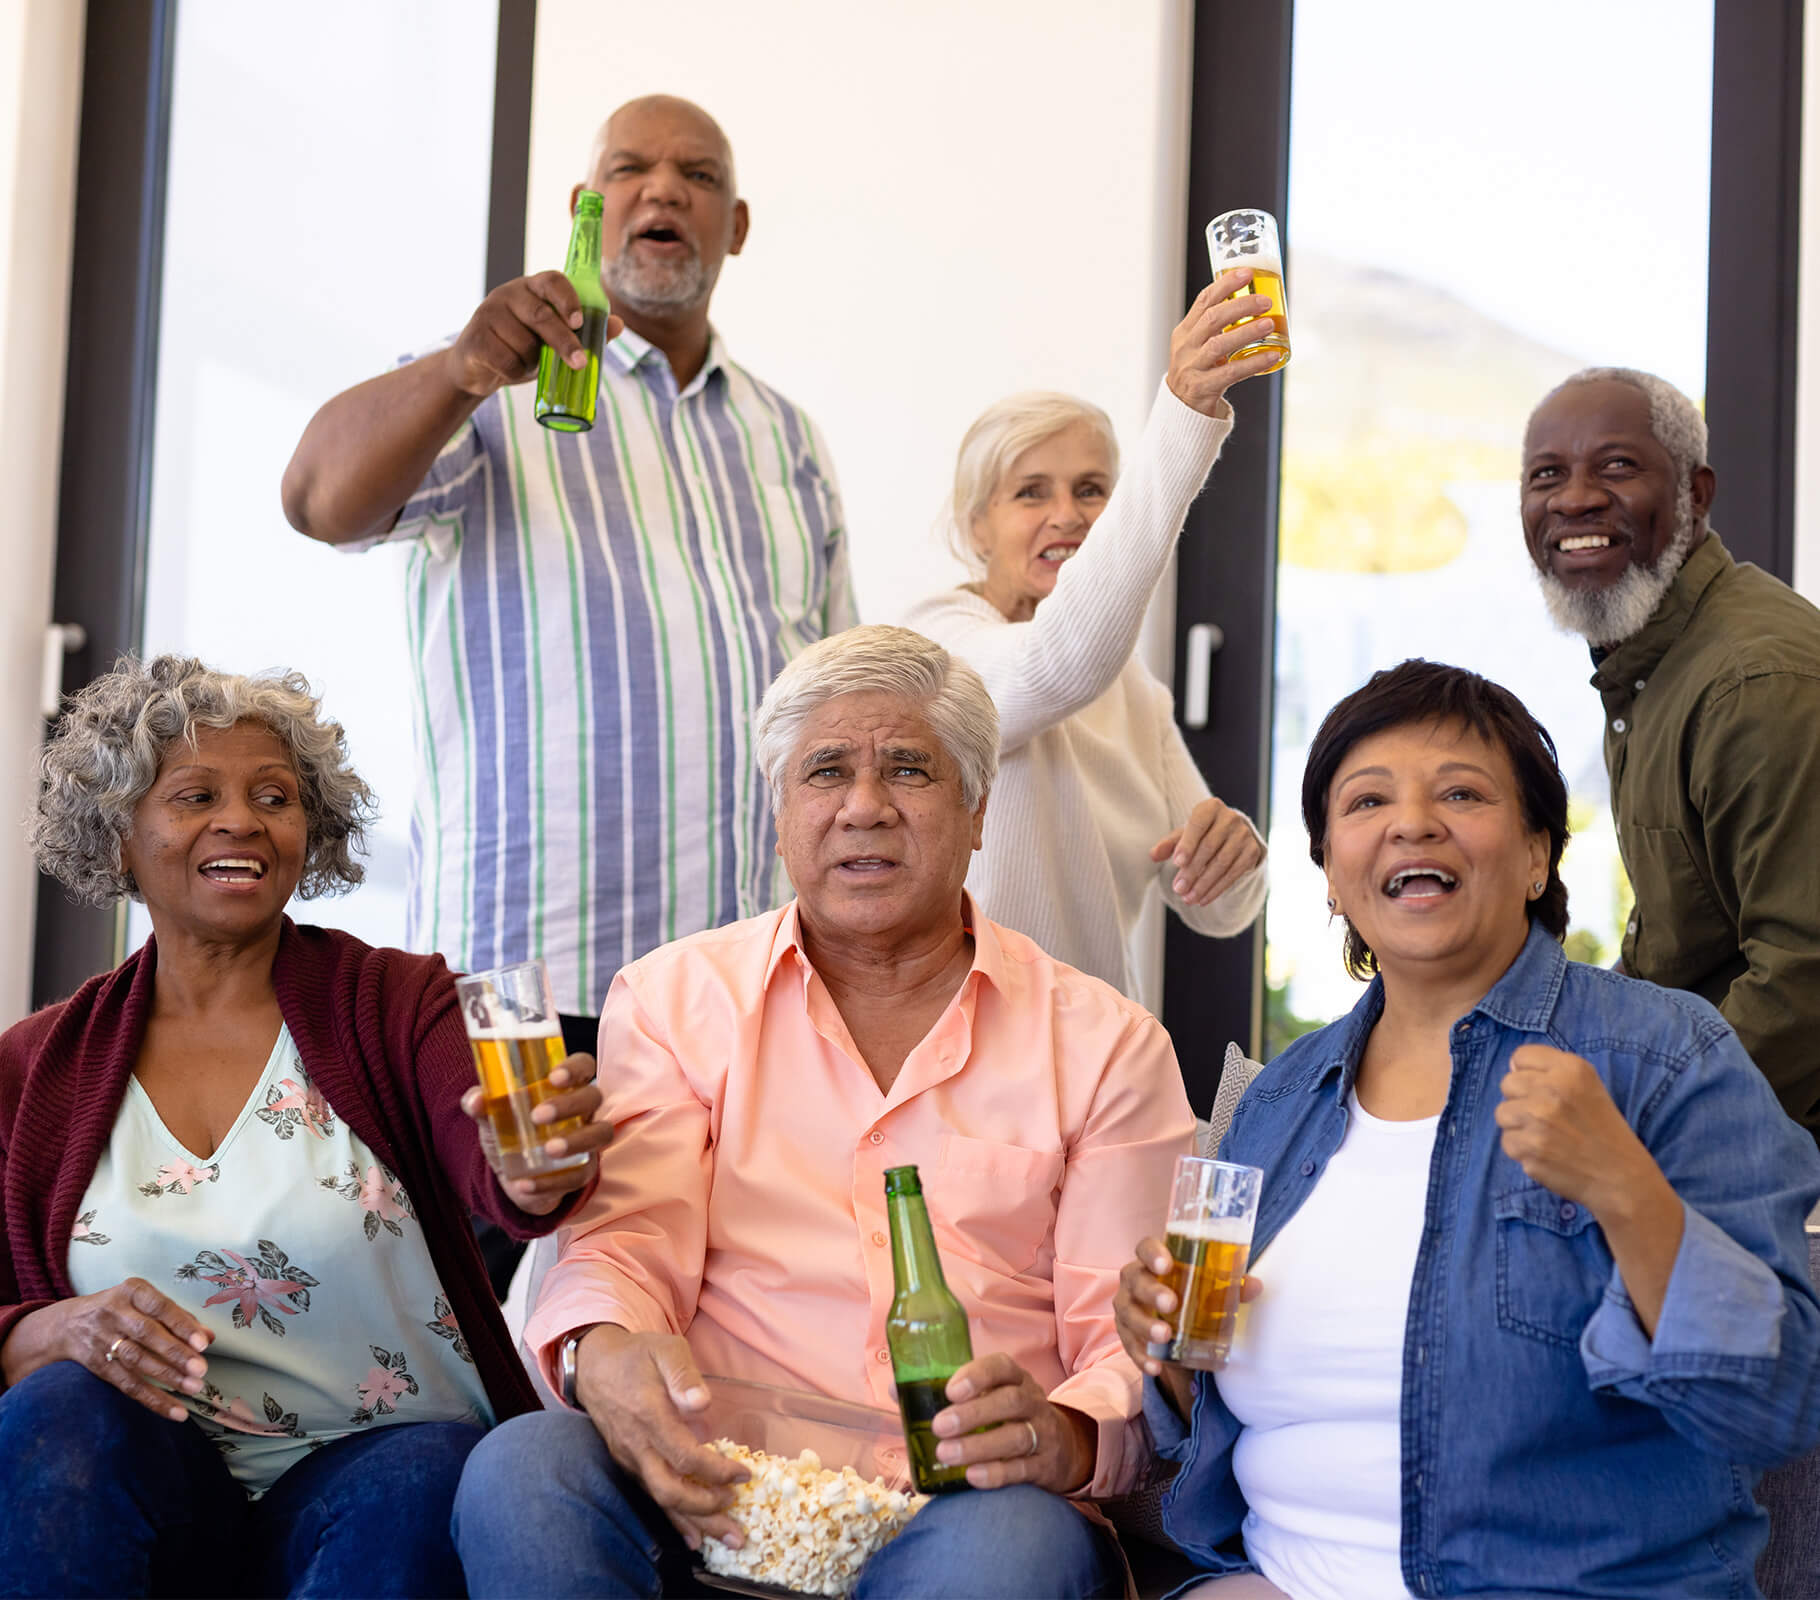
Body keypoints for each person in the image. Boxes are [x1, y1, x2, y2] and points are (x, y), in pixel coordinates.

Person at [452, 624, 1195, 1599]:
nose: (863, 807)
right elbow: (626, 1250)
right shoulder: (676, 1000)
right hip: (709, 1490)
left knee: (1018, 1545)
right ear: (778, 816)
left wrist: (1062, 1433)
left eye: (908, 771)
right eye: (825, 771)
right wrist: (602, 1354)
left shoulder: (1107, 1044)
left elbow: (1123, 1339)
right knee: (526, 1468)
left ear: (976, 811)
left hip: (967, 1509)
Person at [1112, 659, 1820, 1599]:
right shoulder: (1274, 1108)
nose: (1412, 821)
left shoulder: (1666, 1056)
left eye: (1461, 792)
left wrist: (1625, 1191)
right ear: (1329, 873)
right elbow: (1211, 1412)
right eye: (1366, 801)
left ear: (1537, 855)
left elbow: (1778, 1400)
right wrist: (1162, 1347)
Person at [0, 656, 614, 1597]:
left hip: (383, 1468)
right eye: (196, 794)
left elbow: (491, 1150)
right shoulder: (36, 1064)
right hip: (157, 1486)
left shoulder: (394, 1000)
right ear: (118, 836)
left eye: (274, 796)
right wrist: (39, 1333)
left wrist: (526, 1168)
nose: (242, 819)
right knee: (60, 1407)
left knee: (426, 1472)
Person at [280, 93, 855, 1055]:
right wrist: (461, 370)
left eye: (699, 175)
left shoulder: (787, 438)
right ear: (587, 207)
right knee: (520, 1213)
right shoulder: (491, 388)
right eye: (631, 169)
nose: (663, 188)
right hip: (522, 979)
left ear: (737, 227)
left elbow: (834, 703)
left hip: (742, 985)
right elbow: (316, 500)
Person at [902, 273, 1272, 1003]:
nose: (1068, 515)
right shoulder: (933, 647)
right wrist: (1185, 418)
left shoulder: (1130, 687)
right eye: (1031, 491)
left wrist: (1237, 857)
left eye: (1092, 489)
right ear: (977, 526)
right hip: (959, 1061)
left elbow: (1216, 909)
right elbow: (1055, 664)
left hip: (1097, 1064)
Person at [1521, 367, 1820, 1138]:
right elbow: (1686, 946)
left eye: (1616, 466)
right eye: (1546, 475)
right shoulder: (1649, 663)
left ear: (1696, 494)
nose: (1575, 498)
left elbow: (1804, 976)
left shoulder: (1751, 681)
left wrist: (1633, 1135)